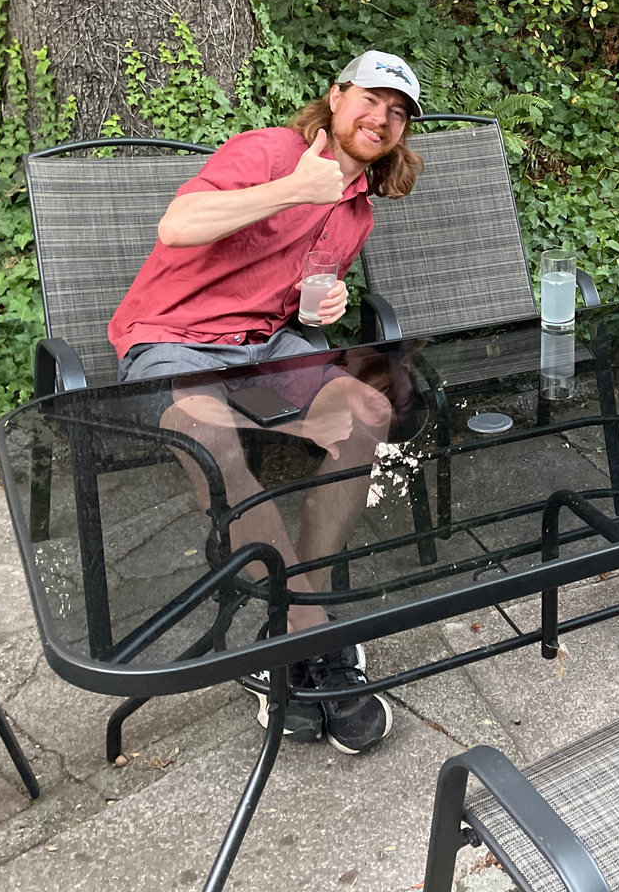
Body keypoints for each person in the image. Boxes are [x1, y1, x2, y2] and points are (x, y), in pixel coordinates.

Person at [107, 49, 425, 752]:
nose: (381, 118)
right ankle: (312, 635)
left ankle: (287, 626)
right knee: (211, 440)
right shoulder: (268, 152)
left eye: (398, 112)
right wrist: (292, 190)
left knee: (370, 412)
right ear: (336, 97)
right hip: (172, 340)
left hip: (265, 347)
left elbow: (291, 301)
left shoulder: (358, 211)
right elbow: (178, 225)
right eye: (370, 99)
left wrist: (324, 308)